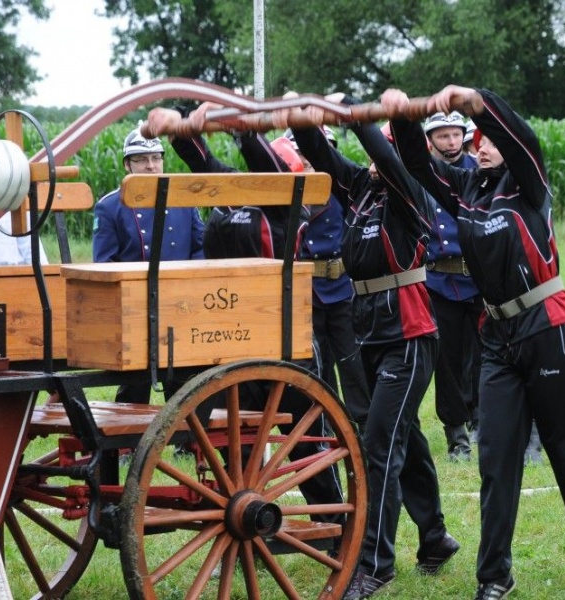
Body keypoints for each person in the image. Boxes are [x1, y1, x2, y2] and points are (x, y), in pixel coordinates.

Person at [381, 85, 565, 598]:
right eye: (479, 139)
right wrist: (400, 117)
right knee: (495, 460)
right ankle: (494, 577)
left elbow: (523, 139)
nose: (485, 145)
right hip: (498, 338)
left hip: (549, 328)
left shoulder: (528, 183)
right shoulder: (465, 188)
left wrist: (476, 101)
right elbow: (417, 168)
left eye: (490, 137)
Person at [281, 97, 459, 599]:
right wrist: (306, 116)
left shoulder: (410, 189)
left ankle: (374, 564)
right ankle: (435, 538)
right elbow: (321, 153)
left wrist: (360, 121)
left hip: (409, 335)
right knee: (405, 434)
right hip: (367, 332)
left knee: (377, 446)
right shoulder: (360, 188)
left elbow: (387, 153)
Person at [144, 104, 347, 543]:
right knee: (239, 444)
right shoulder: (232, 192)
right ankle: (245, 521)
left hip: (285, 339)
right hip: (233, 339)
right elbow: (199, 158)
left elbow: (262, 163)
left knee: (306, 437)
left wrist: (242, 130)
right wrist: (178, 126)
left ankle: (334, 526)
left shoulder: (288, 203)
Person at [92, 123, 205, 404]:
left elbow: (201, 248)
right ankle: (128, 440)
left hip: (181, 300)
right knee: (135, 379)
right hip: (136, 305)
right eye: (141, 160)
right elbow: (105, 262)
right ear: (128, 165)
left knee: (185, 375)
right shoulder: (109, 206)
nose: (151, 166)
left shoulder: (183, 199)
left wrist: (190, 285)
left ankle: (186, 438)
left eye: (156, 159)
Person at [285, 128, 372, 429]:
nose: (308, 159)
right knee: (316, 363)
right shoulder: (288, 190)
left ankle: (361, 423)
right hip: (306, 290)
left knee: (353, 361)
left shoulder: (348, 189)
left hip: (342, 286)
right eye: (300, 152)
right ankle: (322, 422)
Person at [421, 111, 484, 461]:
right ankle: (455, 433)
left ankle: (481, 422)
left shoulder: (481, 171)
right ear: (430, 140)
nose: (451, 142)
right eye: (442, 136)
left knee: (482, 355)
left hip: (477, 278)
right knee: (446, 359)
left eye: (455, 135)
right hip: (438, 280)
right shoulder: (423, 175)